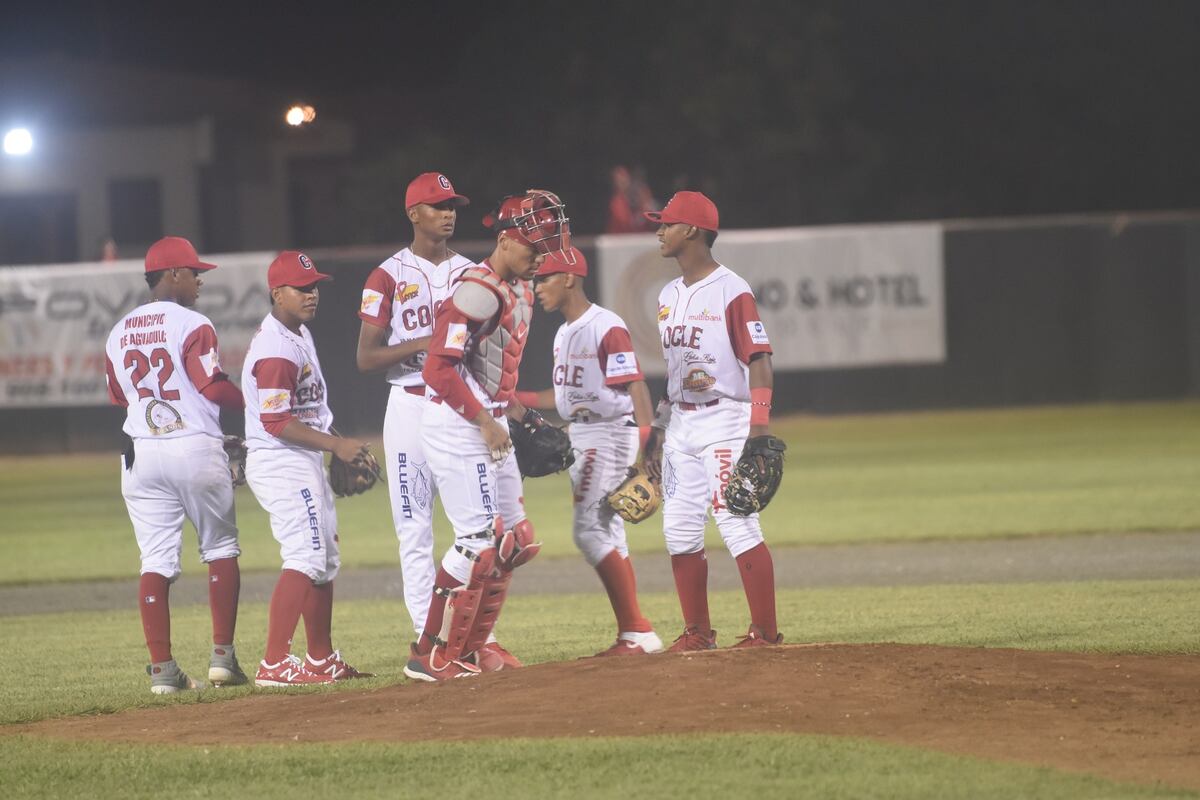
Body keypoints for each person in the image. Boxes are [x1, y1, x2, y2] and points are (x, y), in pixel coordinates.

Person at [403, 189, 571, 681]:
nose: (539, 256)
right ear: (503, 238)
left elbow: (493, 370)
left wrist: (517, 416)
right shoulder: (476, 290)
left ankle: (473, 648)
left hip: (489, 420)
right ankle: (428, 651)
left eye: (544, 247)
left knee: (516, 540)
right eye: (531, 246)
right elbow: (438, 369)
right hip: (457, 424)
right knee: (477, 542)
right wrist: (485, 420)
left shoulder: (519, 287)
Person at [103, 236, 247, 694]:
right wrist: (253, 405)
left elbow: (118, 397)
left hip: (140, 452)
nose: (200, 281)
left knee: (156, 559)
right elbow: (211, 386)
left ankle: (163, 671)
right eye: (194, 272)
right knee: (221, 549)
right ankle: (222, 659)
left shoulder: (118, 330)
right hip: (192, 445)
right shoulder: (192, 322)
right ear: (172, 275)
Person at [641, 191, 784, 650]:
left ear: (693, 231)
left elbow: (759, 358)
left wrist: (758, 431)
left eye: (667, 223)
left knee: (737, 520)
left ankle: (764, 633)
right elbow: (675, 376)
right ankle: (697, 633)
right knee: (679, 529)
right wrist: (658, 432)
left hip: (726, 418)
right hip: (682, 422)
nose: (659, 231)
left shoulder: (731, 289)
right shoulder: (667, 295)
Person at [516, 245, 663, 656]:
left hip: (607, 433)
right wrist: (515, 396)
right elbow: (562, 397)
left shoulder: (605, 325)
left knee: (588, 531)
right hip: (582, 433)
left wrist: (647, 445)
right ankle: (632, 634)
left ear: (569, 278)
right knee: (610, 533)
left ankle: (638, 628)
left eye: (543, 278)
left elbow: (634, 384)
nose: (536, 286)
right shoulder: (564, 333)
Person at [242, 250, 375, 686]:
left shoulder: (295, 332)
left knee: (325, 558)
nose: (311, 294)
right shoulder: (277, 347)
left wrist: (334, 443)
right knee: (305, 554)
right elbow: (276, 420)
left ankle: (319, 659)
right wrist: (335, 444)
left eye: (314, 285)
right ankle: (274, 662)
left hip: (300, 458)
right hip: (281, 461)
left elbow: (309, 407)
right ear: (276, 293)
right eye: (301, 288)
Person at [356, 172, 474, 640]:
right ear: (413, 214)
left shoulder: (471, 272)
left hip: (457, 406)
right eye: (438, 206)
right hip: (407, 407)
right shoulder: (387, 275)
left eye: (453, 206)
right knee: (413, 528)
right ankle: (429, 637)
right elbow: (365, 357)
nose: (448, 214)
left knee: (475, 527)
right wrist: (424, 341)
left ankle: (469, 632)